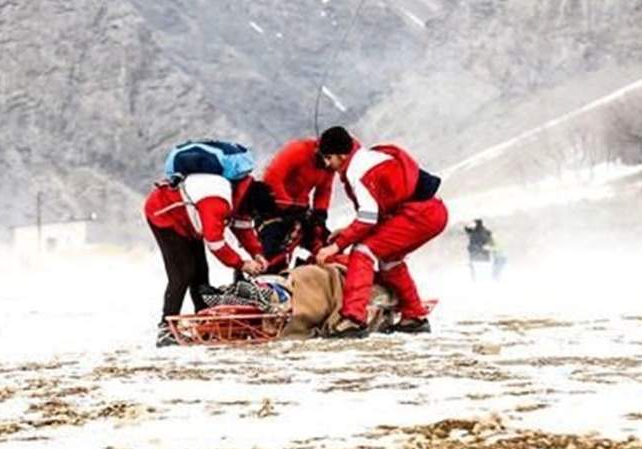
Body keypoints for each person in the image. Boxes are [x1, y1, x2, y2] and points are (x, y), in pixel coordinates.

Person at [314, 126, 448, 337]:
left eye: (328, 158)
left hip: (420, 214)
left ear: (341, 155)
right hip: (430, 210)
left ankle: (353, 319)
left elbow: (368, 217)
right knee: (389, 260)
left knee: (363, 251)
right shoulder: (364, 159)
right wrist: (346, 231)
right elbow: (374, 212)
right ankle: (414, 316)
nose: (326, 164)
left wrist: (335, 246)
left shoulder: (357, 172)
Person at [144, 172, 276, 347]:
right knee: (183, 272)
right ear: (250, 205)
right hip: (164, 214)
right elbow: (214, 242)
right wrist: (242, 264)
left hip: (188, 220)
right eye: (253, 214)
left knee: (200, 272)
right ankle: (166, 329)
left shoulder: (240, 195)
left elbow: (242, 227)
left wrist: (257, 254)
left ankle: (204, 323)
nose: (251, 218)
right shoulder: (217, 201)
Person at [260, 138, 335, 271]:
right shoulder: (298, 150)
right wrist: (287, 206)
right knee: (274, 252)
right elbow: (272, 177)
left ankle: (314, 273)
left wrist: (320, 213)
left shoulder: (330, 166)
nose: (327, 163)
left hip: (300, 209)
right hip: (273, 207)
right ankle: (261, 274)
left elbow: (324, 190)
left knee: (326, 243)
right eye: (325, 157)